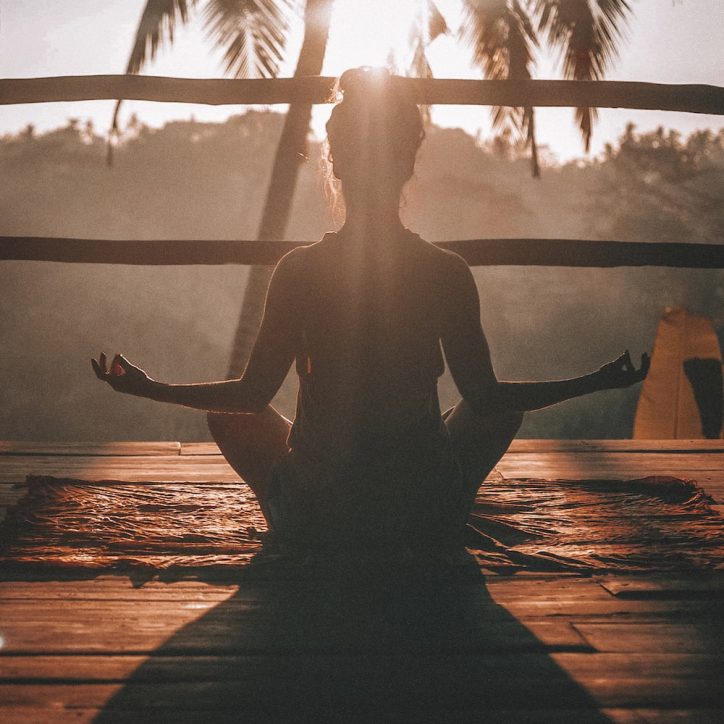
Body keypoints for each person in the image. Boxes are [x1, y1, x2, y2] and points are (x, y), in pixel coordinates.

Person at [92, 67, 649, 551]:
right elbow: (487, 398)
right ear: (408, 166)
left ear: (336, 164)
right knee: (501, 409)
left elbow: (250, 396)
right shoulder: (445, 271)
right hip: (421, 512)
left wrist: (150, 388)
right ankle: (445, 506)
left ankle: (291, 514)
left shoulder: (300, 270)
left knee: (228, 416)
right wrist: (595, 381)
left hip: (320, 515)